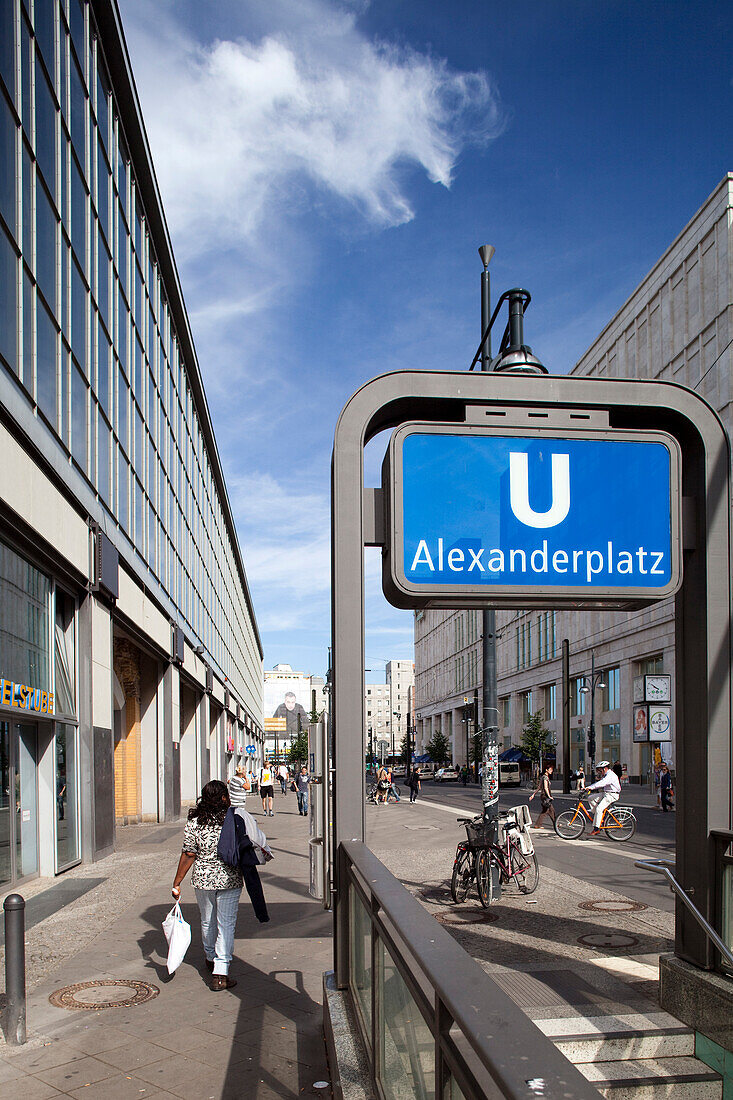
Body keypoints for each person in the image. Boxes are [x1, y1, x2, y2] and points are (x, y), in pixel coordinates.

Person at [171, 780, 242, 991]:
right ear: (223, 797)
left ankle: (211, 958)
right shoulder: (233, 818)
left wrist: (177, 882)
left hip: (203, 879)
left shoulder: (194, 820)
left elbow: (189, 853)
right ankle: (221, 972)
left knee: (207, 920)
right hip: (230, 878)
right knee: (226, 924)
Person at [585, 760, 621, 835]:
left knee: (599, 809)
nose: (599, 771)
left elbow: (602, 783)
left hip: (612, 795)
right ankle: (598, 817)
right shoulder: (606, 775)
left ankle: (596, 828)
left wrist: (591, 787)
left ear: (605, 768)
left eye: (600, 770)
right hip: (606, 793)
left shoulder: (610, 775)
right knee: (590, 798)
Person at [529, 763, 556, 828]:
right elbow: (546, 787)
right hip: (545, 796)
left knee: (549, 811)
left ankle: (538, 824)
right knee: (550, 810)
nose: (551, 771)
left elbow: (539, 787)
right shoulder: (545, 778)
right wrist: (549, 796)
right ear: (546, 770)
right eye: (550, 769)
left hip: (543, 796)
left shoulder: (543, 777)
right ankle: (555, 824)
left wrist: (533, 795)